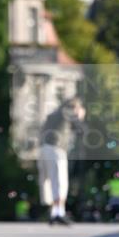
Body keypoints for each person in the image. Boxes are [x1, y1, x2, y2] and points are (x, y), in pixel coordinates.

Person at [37, 97, 85, 226]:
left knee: (51, 181)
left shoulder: (54, 114)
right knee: (60, 182)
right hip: (55, 149)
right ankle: (59, 213)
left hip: (43, 149)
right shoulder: (68, 112)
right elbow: (81, 130)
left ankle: (54, 213)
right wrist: (80, 116)